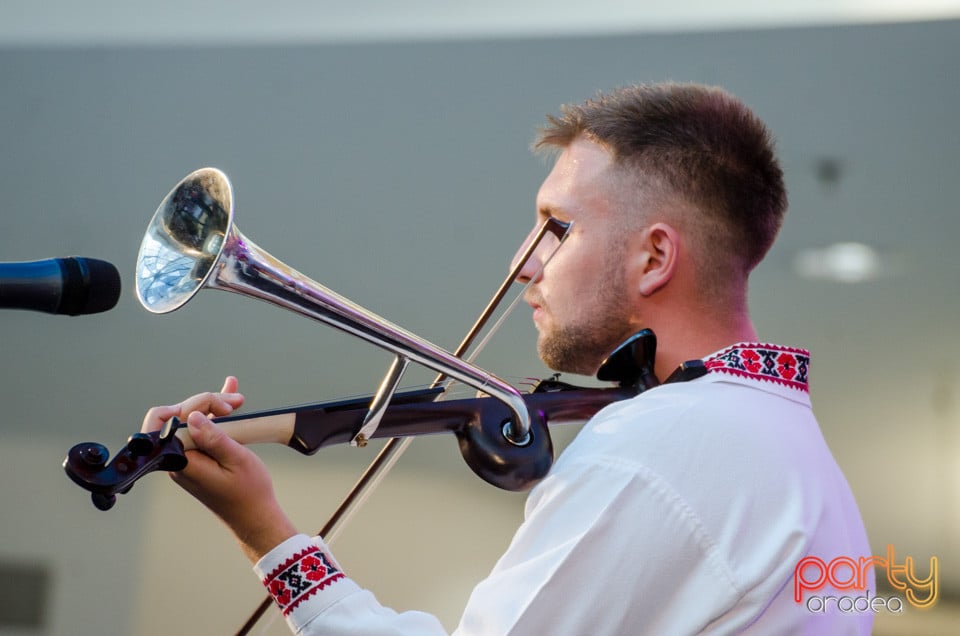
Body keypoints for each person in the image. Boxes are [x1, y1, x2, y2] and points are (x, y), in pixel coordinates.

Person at [143, 83, 874, 634]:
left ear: (655, 256)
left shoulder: (663, 442)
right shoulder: (796, 460)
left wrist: (265, 533)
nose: (523, 261)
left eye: (557, 228)